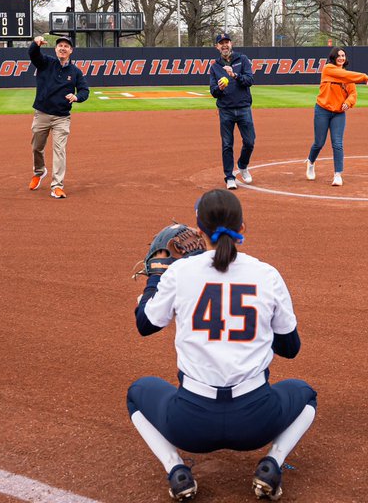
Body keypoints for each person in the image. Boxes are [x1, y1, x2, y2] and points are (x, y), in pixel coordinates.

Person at [128, 189, 317, 501]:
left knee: (137, 393)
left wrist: (156, 279)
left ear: (200, 232)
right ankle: (271, 464)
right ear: (243, 229)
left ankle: (176, 471)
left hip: (189, 423)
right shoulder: (267, 275)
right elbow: (290, 348)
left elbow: (145, 325)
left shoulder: (180, 272)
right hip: (257, 422)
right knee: (305, 394)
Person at [27, 35, 89, 199]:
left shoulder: (75, 72)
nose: (63, 48)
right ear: (56, 49)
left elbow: (84, 91)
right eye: (60, 45)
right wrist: (35, 44)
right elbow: (33, 54)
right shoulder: (45, 62)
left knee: (59, 150)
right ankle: (39, 172)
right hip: (42, 114)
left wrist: (77, 97)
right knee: (36, 147)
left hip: (62, 117)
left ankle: (57, 186)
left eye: (66, 46)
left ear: (71, 51)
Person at [305, 47, 368, 187]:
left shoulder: (348, 77)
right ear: (334, 57)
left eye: (343, 55)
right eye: (339, 55)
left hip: (338, 113)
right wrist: (363, 76)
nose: (341, 58)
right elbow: (346, 76)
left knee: (337, 143)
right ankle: (311, 162)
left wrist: (348, 102)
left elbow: (353, 94)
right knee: (319, 143)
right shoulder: (328, 69)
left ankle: (337, 175)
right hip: (322, 110)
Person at [209, 32, 255, 190]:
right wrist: (220, 89)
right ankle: (229, 176)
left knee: (249, 142)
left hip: (243, 108)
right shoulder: (215, 66)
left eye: (226, 42)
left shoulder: (242, 60)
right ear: (217, 47)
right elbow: (213, 91)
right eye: (221, 43)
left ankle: (243, 165)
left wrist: (234, 75)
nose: (224, 45)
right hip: (226, 110)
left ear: (231, 44)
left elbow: (250, 80)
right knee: (227, 145)